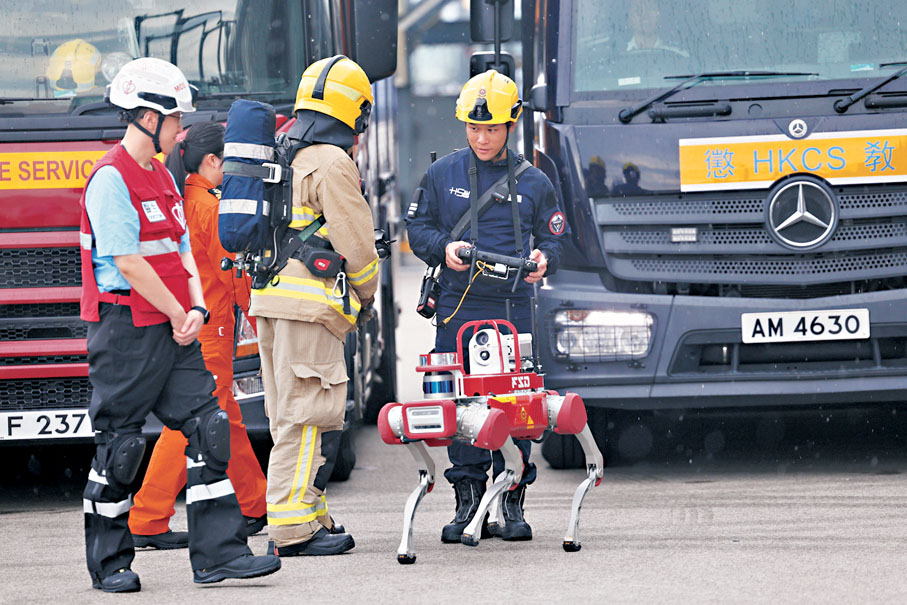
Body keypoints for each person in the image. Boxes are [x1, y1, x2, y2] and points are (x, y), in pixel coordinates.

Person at [79, 57, 280, 592]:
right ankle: (111, 563)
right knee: (121, 448)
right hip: (127, 331)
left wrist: (195, 308)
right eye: (173, 121)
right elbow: (127, 262)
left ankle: (219, 555)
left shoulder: (163, 180)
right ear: (147, 117)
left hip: (176, 327)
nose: (179, 131)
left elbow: (184, 252)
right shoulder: (110, 178)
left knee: (210, 430)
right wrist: (179, 312)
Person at [405, 69, 568, 543]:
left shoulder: (535, 181)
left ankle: (512, 502)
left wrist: (543, 261)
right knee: (461, 406)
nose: (481, 137)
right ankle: (469, 499)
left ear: (511, 124)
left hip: (515, 308)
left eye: (492, 128)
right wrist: (443, 249)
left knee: (517, 407)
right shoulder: (441, 174)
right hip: (457, 309)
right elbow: (417, 229)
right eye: (474, 128)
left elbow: (556, 239)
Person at [250, 55, 377, 557]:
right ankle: (292, 530)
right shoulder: (331, 161)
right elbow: (357, 244)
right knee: (308, 415)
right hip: (310, 308)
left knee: (288, 414)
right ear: (355, 110)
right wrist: (366, 296)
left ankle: (310, 512)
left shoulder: (282, 149)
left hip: (269, 301)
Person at [127, 121, 268, 550]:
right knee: (191, 424)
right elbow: (234, 273)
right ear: (213, 161)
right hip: (213, 327)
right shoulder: (210, 206)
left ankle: (255, 503)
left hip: (193, 322)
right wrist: (260, 319)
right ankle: (148, 516)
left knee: (229, 418)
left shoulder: (180, 197)